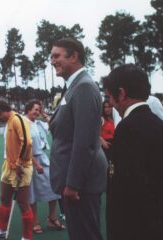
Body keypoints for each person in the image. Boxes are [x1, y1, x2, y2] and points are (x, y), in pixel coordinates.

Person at [103, 64, 163, 240]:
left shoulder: (126, 129)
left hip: (138, 229)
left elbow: (124, 192)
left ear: (121, 93)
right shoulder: (162, 128)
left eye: (110, 97)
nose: (110, 103)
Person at [48, 38, 107, 240]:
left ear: (74, 57)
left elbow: (85, 142)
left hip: (81, 184)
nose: (52, 61)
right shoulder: (74, 87)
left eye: (57, 56)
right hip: (76, 181)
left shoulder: (84, 87)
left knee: (86, 235)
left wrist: (73, 184)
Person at [0, 99, 34, 240]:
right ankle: (1, 229)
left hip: (21, 167)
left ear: (1, 111)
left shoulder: (18, 120)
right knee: (4, 198)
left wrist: (19, 164)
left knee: (23, 203)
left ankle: (27, 237)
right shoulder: (8, 122)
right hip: (8, 165)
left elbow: (27, 143)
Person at [23, 100, 64, 234]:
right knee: (32, 192)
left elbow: (53, 125)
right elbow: (24, 147)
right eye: (35, 109)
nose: (37, 112)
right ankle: (35, 221)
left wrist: (43, 114)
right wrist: (36, 163)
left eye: (38, 110)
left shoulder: (38, 123)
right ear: (28, 110)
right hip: (30, 160)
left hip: (43, 159)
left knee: (54, 188)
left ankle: (51, 218)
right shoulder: (23, 124)